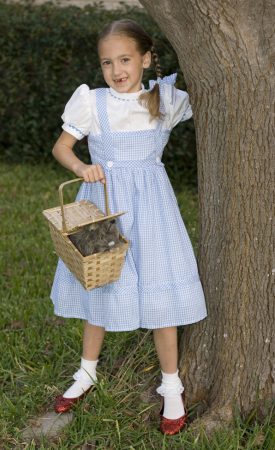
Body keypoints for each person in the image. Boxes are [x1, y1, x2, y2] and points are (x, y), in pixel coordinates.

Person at [50, 19, 207, 435]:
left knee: (160, 291)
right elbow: (61, 147)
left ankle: (171, 386)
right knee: (100, 281)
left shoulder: (165, 100)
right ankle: (87, 372)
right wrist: (83, 166)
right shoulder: (93, 102)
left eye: (125, 59)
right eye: (107, 62)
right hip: (103, 208)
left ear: (146, 58)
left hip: (153, 208)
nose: (116, 70)